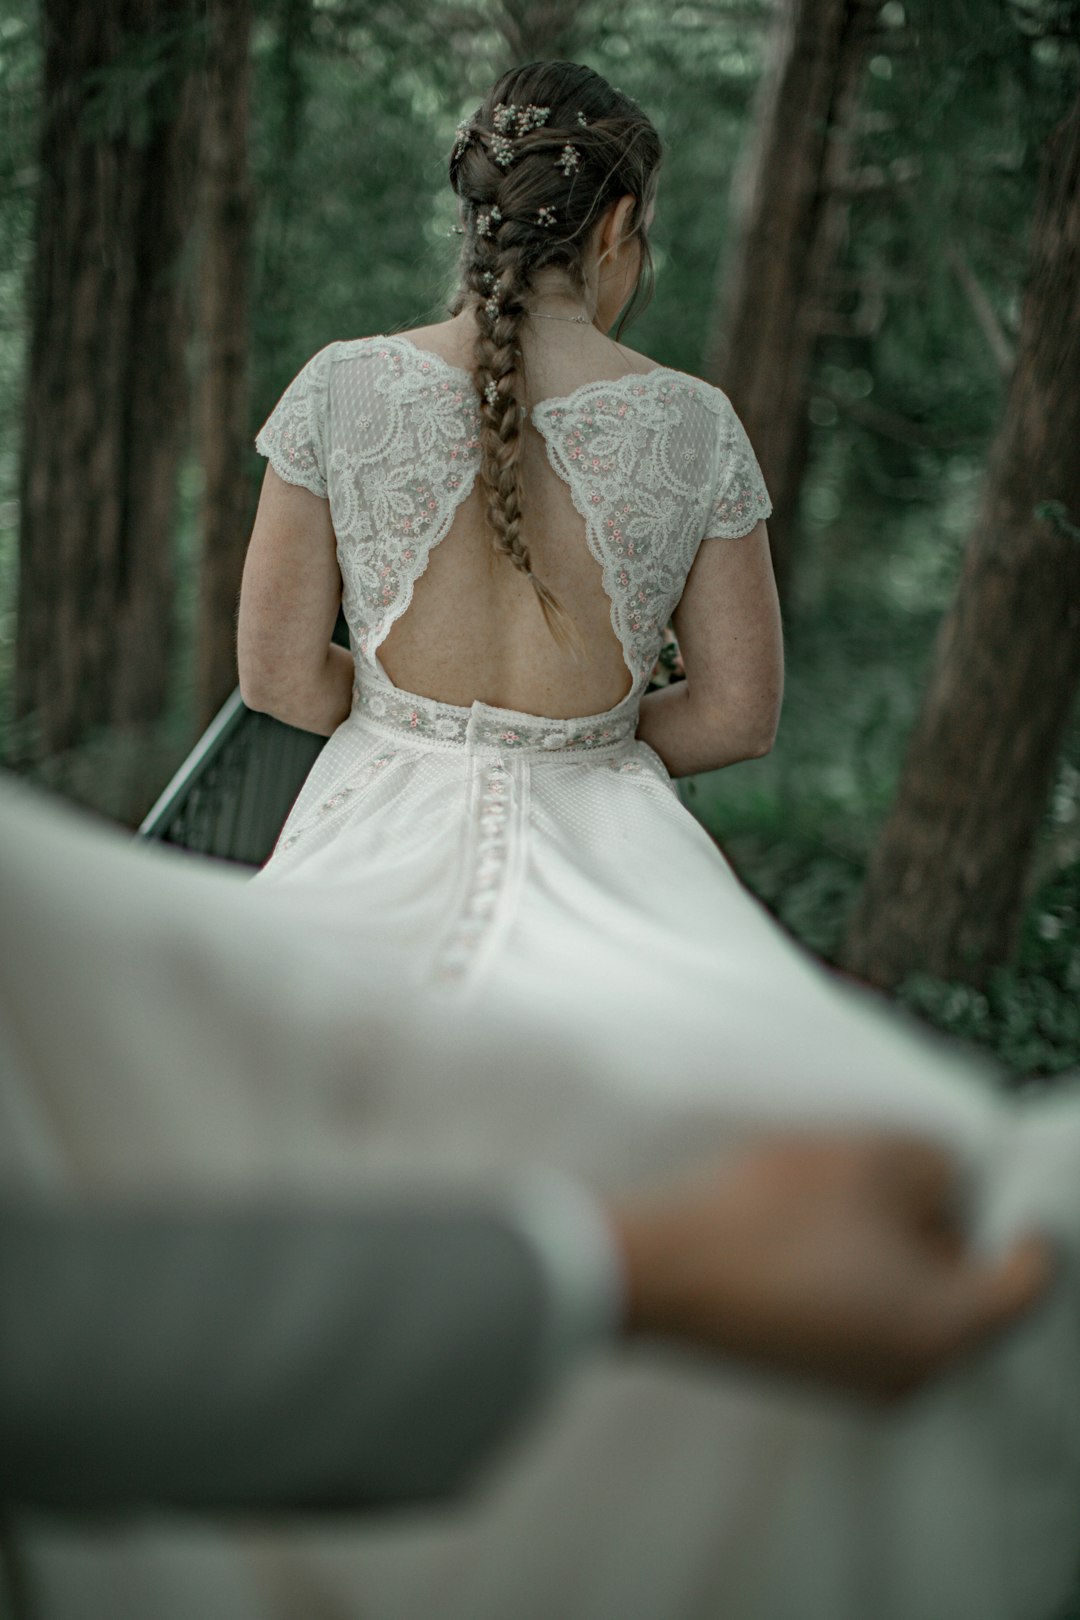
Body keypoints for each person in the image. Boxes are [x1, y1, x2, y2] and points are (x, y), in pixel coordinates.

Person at [2, 55, 1079, 1620]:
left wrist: (416, 707)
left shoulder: (338, 387)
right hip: (611, 829)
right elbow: (737, 717)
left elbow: (275, 681)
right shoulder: (693, 424)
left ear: (477, 216)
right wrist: (578, 733)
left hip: (374, 803)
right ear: (622, 223)